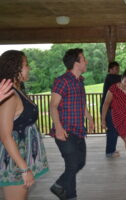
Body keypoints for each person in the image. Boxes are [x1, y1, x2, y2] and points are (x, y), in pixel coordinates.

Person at [0, 50, 49, 200]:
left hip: (21, 158)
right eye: (26, 64)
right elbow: (5, 135)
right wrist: (24, 168)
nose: (29, 68)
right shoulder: (10, 96)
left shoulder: (17, 91)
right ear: (15, 68)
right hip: (14, 163)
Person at [50, 48, 95, 200]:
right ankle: (69, 194)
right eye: (83, 59)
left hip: (78, 131)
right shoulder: (62, 81)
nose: (86, 61)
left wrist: (89, 118)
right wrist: (59, 128)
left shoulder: (80, 81)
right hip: (65, 131)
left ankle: (61, 188)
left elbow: (81, 104)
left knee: (79, 163)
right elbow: (53, 106)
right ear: (76, 63)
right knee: (73, 164)